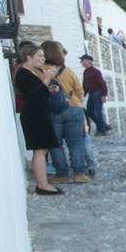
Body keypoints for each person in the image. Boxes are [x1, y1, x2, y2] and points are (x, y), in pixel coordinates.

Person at [15, 42, 63, 195]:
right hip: (34, 116)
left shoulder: (30, 72)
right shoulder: (23, 73)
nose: (43, 59)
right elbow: (33, 96)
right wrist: (47, 79)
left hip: (38, 114)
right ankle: (42, 185)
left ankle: (43, 184)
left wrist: (48, 88)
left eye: (43, 55)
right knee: (40, 151)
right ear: (28, 57)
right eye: (39, 56)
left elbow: (38, 93)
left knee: (42, 150)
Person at [43, 40, 91, 182]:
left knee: (55, 144)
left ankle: (62, 174)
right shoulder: (68, 71)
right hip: (73, 108)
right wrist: (76, 101)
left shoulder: (40, 71)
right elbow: (79, 90)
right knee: (76, 143)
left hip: (52, 110)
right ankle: (79, 173)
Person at [81, 54, 109, 136]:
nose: (81, 62)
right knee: (89, 112)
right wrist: (83, 94)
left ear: (88, 61)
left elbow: (102, 84)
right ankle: (104, 126)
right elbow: (85, 84)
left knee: (97, 112)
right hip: (91, 94)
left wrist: (104, 95)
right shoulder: (85, 72)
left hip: (98, 93)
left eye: (83, 60)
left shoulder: (95, 72)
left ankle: (102, 131)